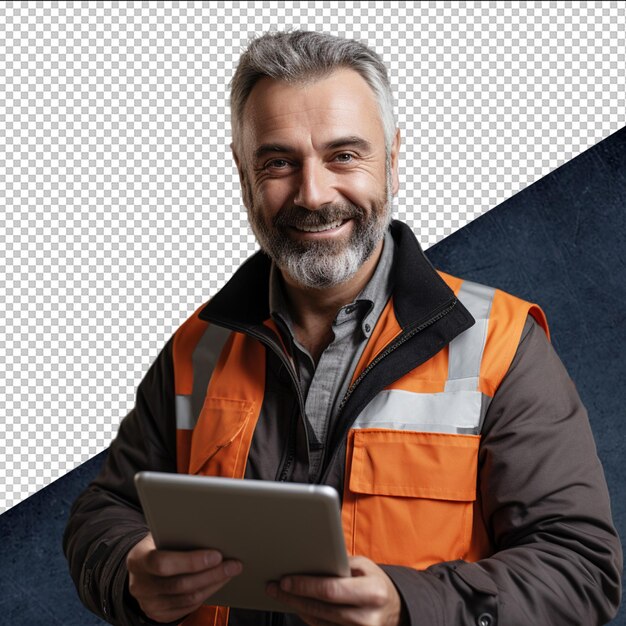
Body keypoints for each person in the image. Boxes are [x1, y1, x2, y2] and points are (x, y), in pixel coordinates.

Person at [64, 30, 622, 626]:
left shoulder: (500, 345)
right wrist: (130, 569)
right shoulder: (197, 348)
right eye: (279, 162)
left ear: (393, 159)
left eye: (344, 156)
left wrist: (410, 606)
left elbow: (581, 569)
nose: (313, 194)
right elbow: (106, 511)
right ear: (242, 171)